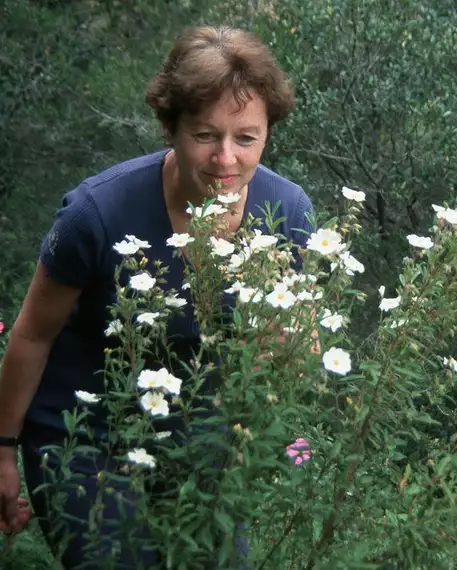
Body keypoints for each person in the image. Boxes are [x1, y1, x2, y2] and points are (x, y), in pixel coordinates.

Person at [0, 25, 314, 568]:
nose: (226, 159)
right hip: (85, 438)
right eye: (204, 135)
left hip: (204, 443)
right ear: (169, 128)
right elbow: (32, 333)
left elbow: (291, 345)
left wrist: (264, 419)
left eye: (246, 137)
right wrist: (1, 449)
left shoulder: (286, 214)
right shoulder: (96, 214)